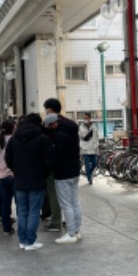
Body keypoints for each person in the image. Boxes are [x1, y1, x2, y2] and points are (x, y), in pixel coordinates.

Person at [5, 113, 53, 251]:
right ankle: (30, 241)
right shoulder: (42, 139)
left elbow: (8, 159)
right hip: (37, 180)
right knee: (34, 211)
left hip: (19, 180)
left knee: (21, 211)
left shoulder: (14, 139)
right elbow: (49, 160)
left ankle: (22, 241)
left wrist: (15, 169)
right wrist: (44, 173)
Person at [44, 100, 83, 245]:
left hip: (63, 173)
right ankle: (77, 231)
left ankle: (71, 233)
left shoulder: (59, 136)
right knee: (75, 202)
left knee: (66, 204)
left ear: (53, 124)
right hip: (74, 171)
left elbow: (55, 155)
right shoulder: (72, 128)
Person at [42, 98, 64, 233]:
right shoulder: (68, 124)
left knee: (54, 193)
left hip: (54, 166)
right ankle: (68, 220)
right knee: (67, 195)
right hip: (65, 167)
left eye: (46, 109)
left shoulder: (51, 127)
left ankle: (56, 221)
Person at [0, 119, 15, 236]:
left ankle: (7, 229)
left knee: (4, 203)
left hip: (0, 176)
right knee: (20, 203)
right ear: (12, 128)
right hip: (13, 175)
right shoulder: (15, 140)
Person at [79, 113, 99, 185]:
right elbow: (80, 138)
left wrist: (97, 146)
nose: (85, 120)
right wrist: (81, 146)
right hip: (85, 149)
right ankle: (89, 178)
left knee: (95, 163)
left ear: (89, 118)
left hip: (93, 149)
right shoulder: (81, 127)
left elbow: (96, 137)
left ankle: (89, 173)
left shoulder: (94, 126)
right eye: (84, 118)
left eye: (86, 118)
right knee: (87, 164)